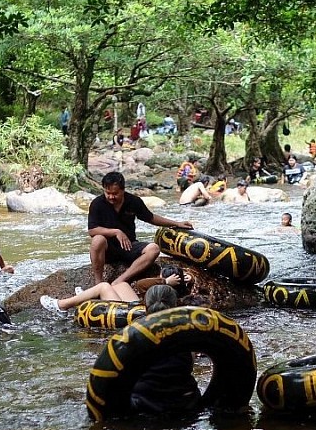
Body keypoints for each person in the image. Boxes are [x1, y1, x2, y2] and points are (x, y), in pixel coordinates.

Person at [87, 171, 193, 286]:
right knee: (97, 240)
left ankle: (120, 280)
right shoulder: (97, 204)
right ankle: (99, 283)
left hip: (129, 246)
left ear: (123, 190)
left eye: (115, 193)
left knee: (154, 249)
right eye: (108, 193)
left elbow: (151, 218)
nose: (111, 197)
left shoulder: (133, 201)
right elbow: (92, 230)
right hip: (108, 249)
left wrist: (176, 223)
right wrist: (115, 232)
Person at [128, 284, 201, 414]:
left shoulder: (133, 335)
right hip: (186, 401)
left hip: (145, 402)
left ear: (145, 308)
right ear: (176, 307)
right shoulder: (187, 334)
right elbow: (190, 363)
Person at [40, 264, 193, 312]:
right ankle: (87, 296)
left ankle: (62, 305)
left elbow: (141, 285)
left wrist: (164, 282)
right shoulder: (184, 291)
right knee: (120, 285)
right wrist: (190, 281)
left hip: (134, 314)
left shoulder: (166, 292)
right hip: (138, 308)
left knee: (104, 286)